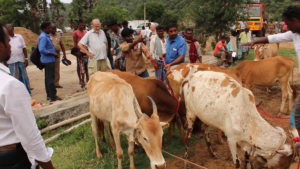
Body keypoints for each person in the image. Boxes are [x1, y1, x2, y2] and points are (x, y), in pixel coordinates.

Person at [0, 22, 56, 169]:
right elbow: (30, 136)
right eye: (8, 42)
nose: (11, 46)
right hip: (11, 159)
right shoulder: (10, 85)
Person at [240, 6, 300, 137]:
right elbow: (273, 38)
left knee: (297, 117)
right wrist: (254, 42)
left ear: (295, 20)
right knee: (296, 117)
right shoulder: (294, 33)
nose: (287, 27)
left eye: (289, 24)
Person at [4, 24, 31, 94]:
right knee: (14, 78)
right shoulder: (5, 38)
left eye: (8, 29)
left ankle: (26, 91)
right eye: (6, 29)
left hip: (20, 60)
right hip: (11, 61)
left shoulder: (19, 37)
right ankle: (16, 93)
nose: (6, 30)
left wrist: (26, 58)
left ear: (12, 29)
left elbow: (24, 48)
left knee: (24, 77)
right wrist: (5, 62)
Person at [38, 22, 61, 102]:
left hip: (49, 60)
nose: (50, 29)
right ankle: (53, 95)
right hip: (48, 60)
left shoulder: (46, 36)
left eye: (50, 28)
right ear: (43, 29)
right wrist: (53, 53)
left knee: (48, 78)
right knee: (51, 78)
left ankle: (49, 95)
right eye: (48, 28)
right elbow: (42, 49)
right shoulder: (43, 37)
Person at [50, 23, 67, 88]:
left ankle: (56, 83)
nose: (53, 30)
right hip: (50, 54)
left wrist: (64, 55)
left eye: (54, 29)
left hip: (57, 54)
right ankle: (51, 83)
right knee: (51, 69)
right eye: (52, 29)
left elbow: (62, 45)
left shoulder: (59, 36)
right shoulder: (48, 36)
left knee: (57, 69)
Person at [73, 19, 88, 84]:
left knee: (86, 65)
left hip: (85, 50)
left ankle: (87, 78)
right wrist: (77, 52)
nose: (81, 26)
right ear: (78, 25)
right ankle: (81, 79)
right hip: (79, 50)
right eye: (80, 25)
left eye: (82, 25)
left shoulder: (86, 32)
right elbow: (75, 42)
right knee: (79, 65)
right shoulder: (75, 32)